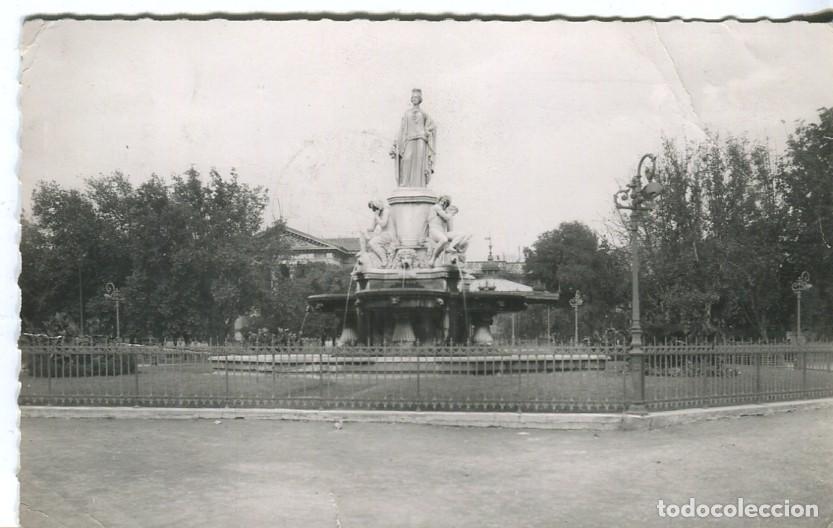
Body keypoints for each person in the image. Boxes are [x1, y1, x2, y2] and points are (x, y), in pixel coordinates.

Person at [390, 88, 437, 187]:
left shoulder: (424, 114)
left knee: (419, 161)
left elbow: (432, 126)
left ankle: (420, 185)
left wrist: (427, 131)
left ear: (420, 99)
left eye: (416, 97)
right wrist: (395, 144)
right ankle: (405, 184)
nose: (414, 99)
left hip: (421, 139)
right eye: (413, 97)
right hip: (409, 139)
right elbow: (402, 129)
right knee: (407, 159)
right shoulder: (407, 113)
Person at [427, 195, 471, 267]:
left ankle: (452, 248)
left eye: (445, 202)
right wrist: (451, 213)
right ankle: (433, 259)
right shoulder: (436, 207)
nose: (442, 203)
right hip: (434, 231)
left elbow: (450, 229)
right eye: (442, 201)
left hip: (442, 232)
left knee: (463, 235)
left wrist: (454, 241)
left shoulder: (445, 212)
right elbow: (446, 217)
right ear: (439, 201)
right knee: (444, 240)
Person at [359, 199, 397, 267]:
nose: (374, 210)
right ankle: (382, 259)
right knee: (372, 242)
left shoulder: (386, 212)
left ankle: (384, 260)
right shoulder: (377, 215)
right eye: (373, 209)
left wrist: (376, 216)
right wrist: (365, 229)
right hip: (383, 235)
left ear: (378, 206)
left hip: (389, 234)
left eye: (374, 208)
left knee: (373, 242)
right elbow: (372, 228)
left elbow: (383, 224)